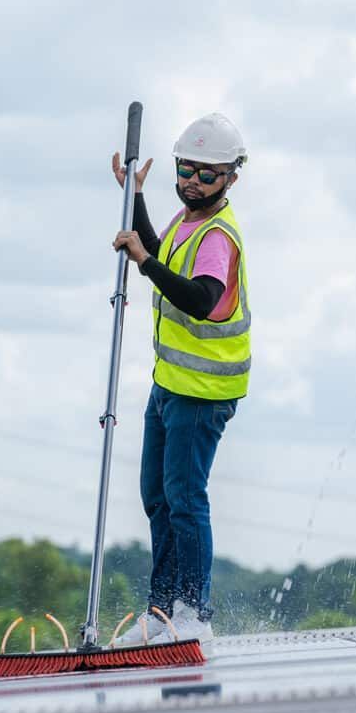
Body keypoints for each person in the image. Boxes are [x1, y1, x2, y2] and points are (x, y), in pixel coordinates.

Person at [109, 113, 251, 645]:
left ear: (230, 178)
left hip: (203, 393)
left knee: (185, 499)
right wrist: (136, 198)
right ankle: (161, 610)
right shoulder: (187, 222)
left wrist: (142, 260)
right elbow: (158, 252)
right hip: (168, 384)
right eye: (184, 169)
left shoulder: (217, 236)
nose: (192, 181)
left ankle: (194, 613)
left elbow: (199, 298)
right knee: (157, 496)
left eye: (206, 174)